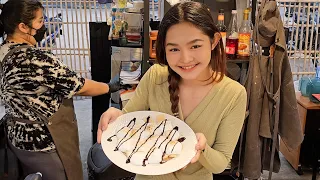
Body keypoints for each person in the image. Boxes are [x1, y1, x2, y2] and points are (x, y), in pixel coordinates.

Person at [97, 2, 247, 180]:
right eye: (174, 49)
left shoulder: (233, 94)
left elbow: (221, 163)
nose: (185, 59)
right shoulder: (155, 76)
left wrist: (203, 149)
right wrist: (117, 116)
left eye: (195, 46)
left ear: (214, 41)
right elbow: (129, 121)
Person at [0, 0, 122, 180]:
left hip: (16, 138)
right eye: (40, 21)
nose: (45, 25)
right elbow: (79, 86)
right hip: (45, 142)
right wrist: (110, 86)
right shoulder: (35, 59)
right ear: (23, 27)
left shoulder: (3, 51)